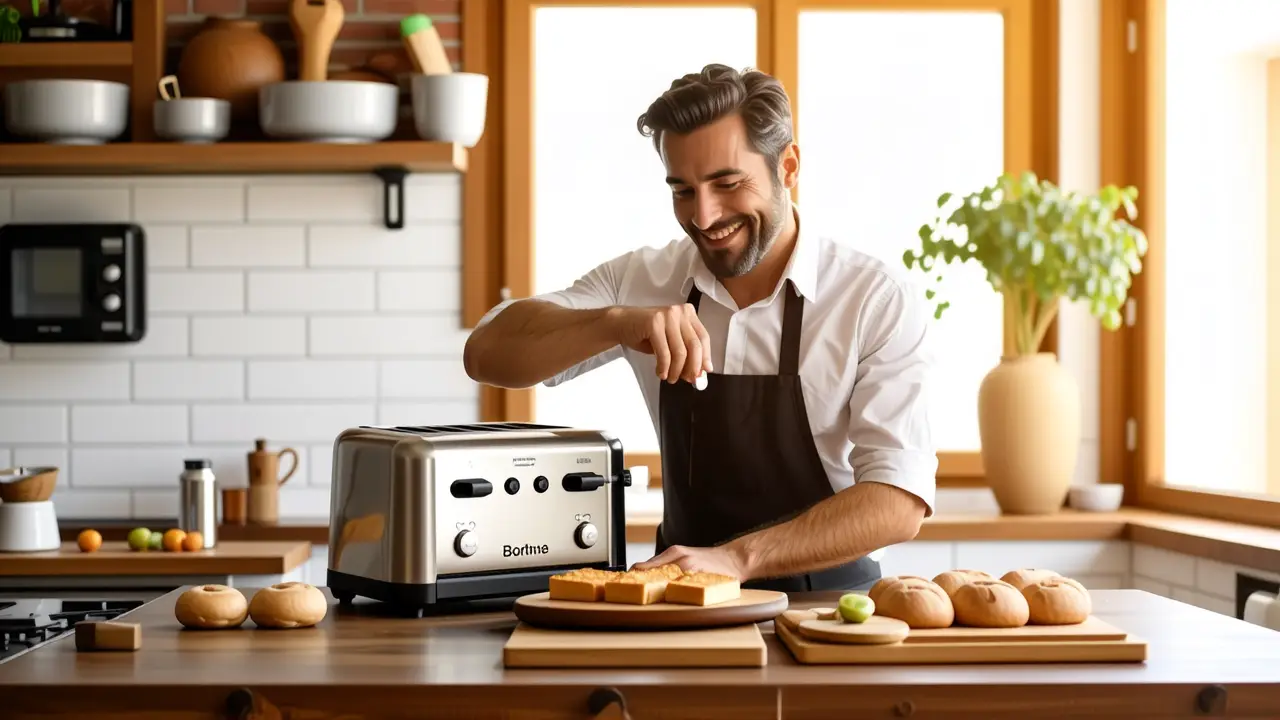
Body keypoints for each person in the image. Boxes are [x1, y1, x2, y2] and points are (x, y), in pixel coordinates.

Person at [463, 63, 937, 592]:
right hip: (682, 601)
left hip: (828, 609)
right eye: (682, 190)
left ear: (789, 167)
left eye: (727, 184)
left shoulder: (871, 296)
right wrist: (618, 323)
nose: (705, 216)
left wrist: (736, 560)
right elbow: (486, 353)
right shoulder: (641, 281)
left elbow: (899, 499)